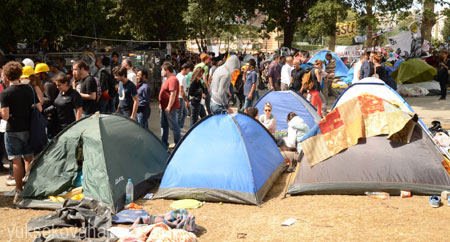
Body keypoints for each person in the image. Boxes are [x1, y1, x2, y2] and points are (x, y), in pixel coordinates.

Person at [0, 61, 41, 203]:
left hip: (12, 130)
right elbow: (38, 107)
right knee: (29, 159)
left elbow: (5, 116)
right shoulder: (29, 89)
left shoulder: (5, 93)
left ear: (6, 75)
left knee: (16, 161)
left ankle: (19, 190)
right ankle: (30, 187)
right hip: (28, 127)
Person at [159, 62, 181, 147]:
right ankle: (164, 144)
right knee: (164, 125)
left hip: (170, 108)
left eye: (162, 70)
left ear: (167, 70)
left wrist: (169, 106)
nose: (162, 72)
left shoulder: (172, 79)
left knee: (174, 126)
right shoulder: (167, 79)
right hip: (164, 107)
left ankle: (178, 143)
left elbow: (173, 94)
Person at [176, 63, 191, 129]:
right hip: (180, 98)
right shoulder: (181, 78)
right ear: (184, 69)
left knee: (185, 112)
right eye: (188, 70)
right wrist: (186, 100)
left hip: (180, 97)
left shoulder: (179, 75)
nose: (189, 71)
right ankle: (178, 128)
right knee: (180, 114)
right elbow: (181, 90)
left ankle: (180, 126)